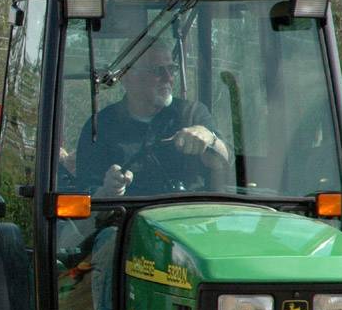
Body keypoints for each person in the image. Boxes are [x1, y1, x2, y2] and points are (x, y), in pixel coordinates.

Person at [73, 39, 230, 197]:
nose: (168, 78)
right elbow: (86, 195)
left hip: (192, 213)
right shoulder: (101, 126)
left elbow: (226, 162)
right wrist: (108, 190)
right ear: (127, 77)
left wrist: (210, 140)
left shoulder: (191, 114)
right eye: (157, 71)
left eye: (171, 69)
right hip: (126, 217)